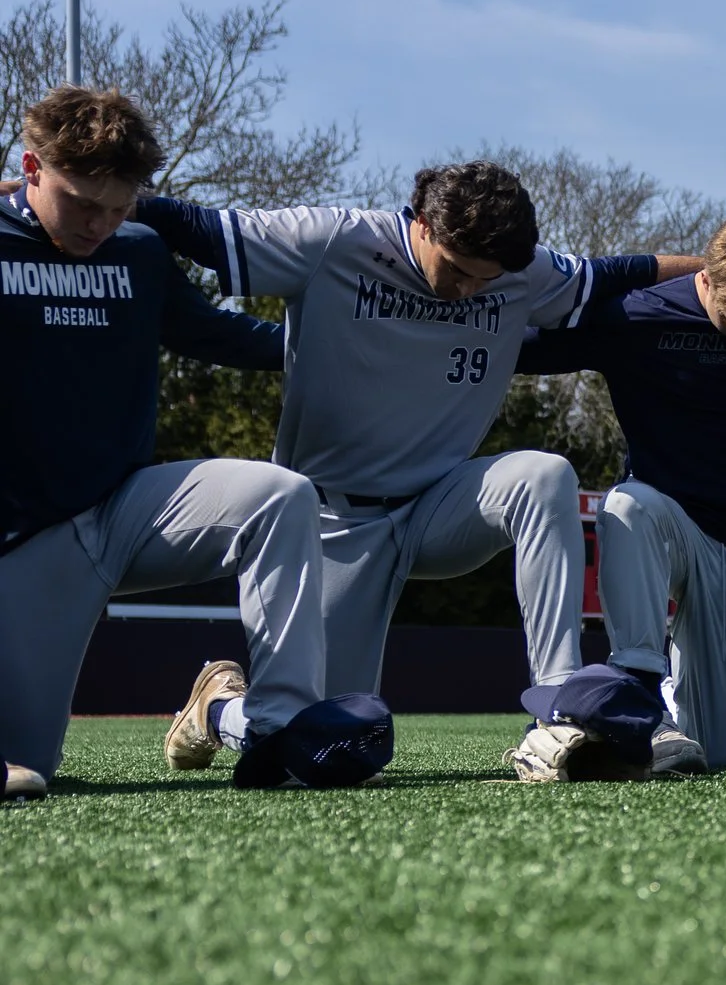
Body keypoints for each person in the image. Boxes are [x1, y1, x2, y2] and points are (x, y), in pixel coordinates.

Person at [126, 160, 694, 777]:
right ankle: (217, 710)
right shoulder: (334, 239)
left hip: (439, 506)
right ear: (420, 222)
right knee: (316, 745)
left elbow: (612, 276)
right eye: (456, 270)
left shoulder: (522, 270)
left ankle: (557, 711)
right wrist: (37, 195)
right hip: (334, 520)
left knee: (544, 474)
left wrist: (713, 271)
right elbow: (197, 228)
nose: (469, 290)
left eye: (487, 280)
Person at [0, 84, 326, 792]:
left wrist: (346, 350)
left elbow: (224, 336)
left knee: (281, 496)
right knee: (28, 769)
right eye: (83, 202)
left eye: (118, 208)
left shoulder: (140, 251)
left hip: (125, 510)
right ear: (30, 169)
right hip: (24, 536)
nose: (99, 224)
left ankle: (280, 733)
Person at [515, 214, 726, 774]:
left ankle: (657, 708)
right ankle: (638, 686)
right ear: (709, 282)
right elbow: (519, 349)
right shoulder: (634, 316)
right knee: (627, 506)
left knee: (720, 753)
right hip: (668, 522)